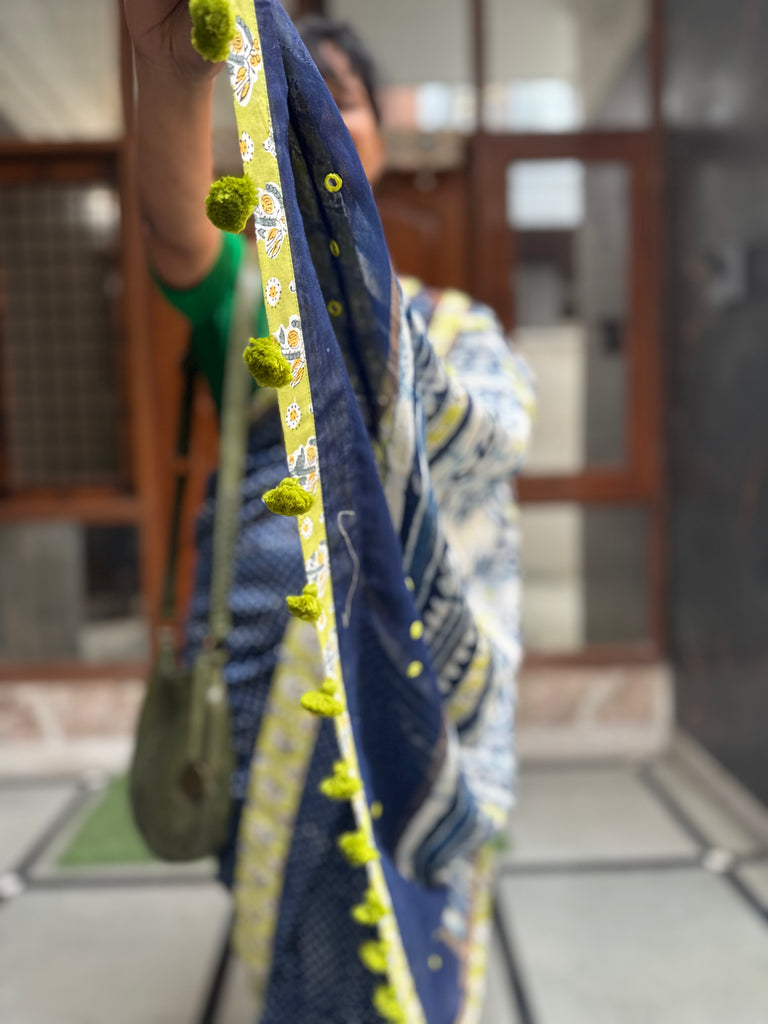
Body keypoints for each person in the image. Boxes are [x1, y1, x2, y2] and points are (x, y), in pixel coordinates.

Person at [124, 2, 534, 1021]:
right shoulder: (252, 299)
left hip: (412, 684)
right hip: (271, 678)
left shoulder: (452, 331)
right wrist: (171, 74)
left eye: (337, 98)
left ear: (377, 141)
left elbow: (490, 444)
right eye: (291, 94)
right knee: (305, 948)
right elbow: (175, 233)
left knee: (406, 926)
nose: (312, 114)